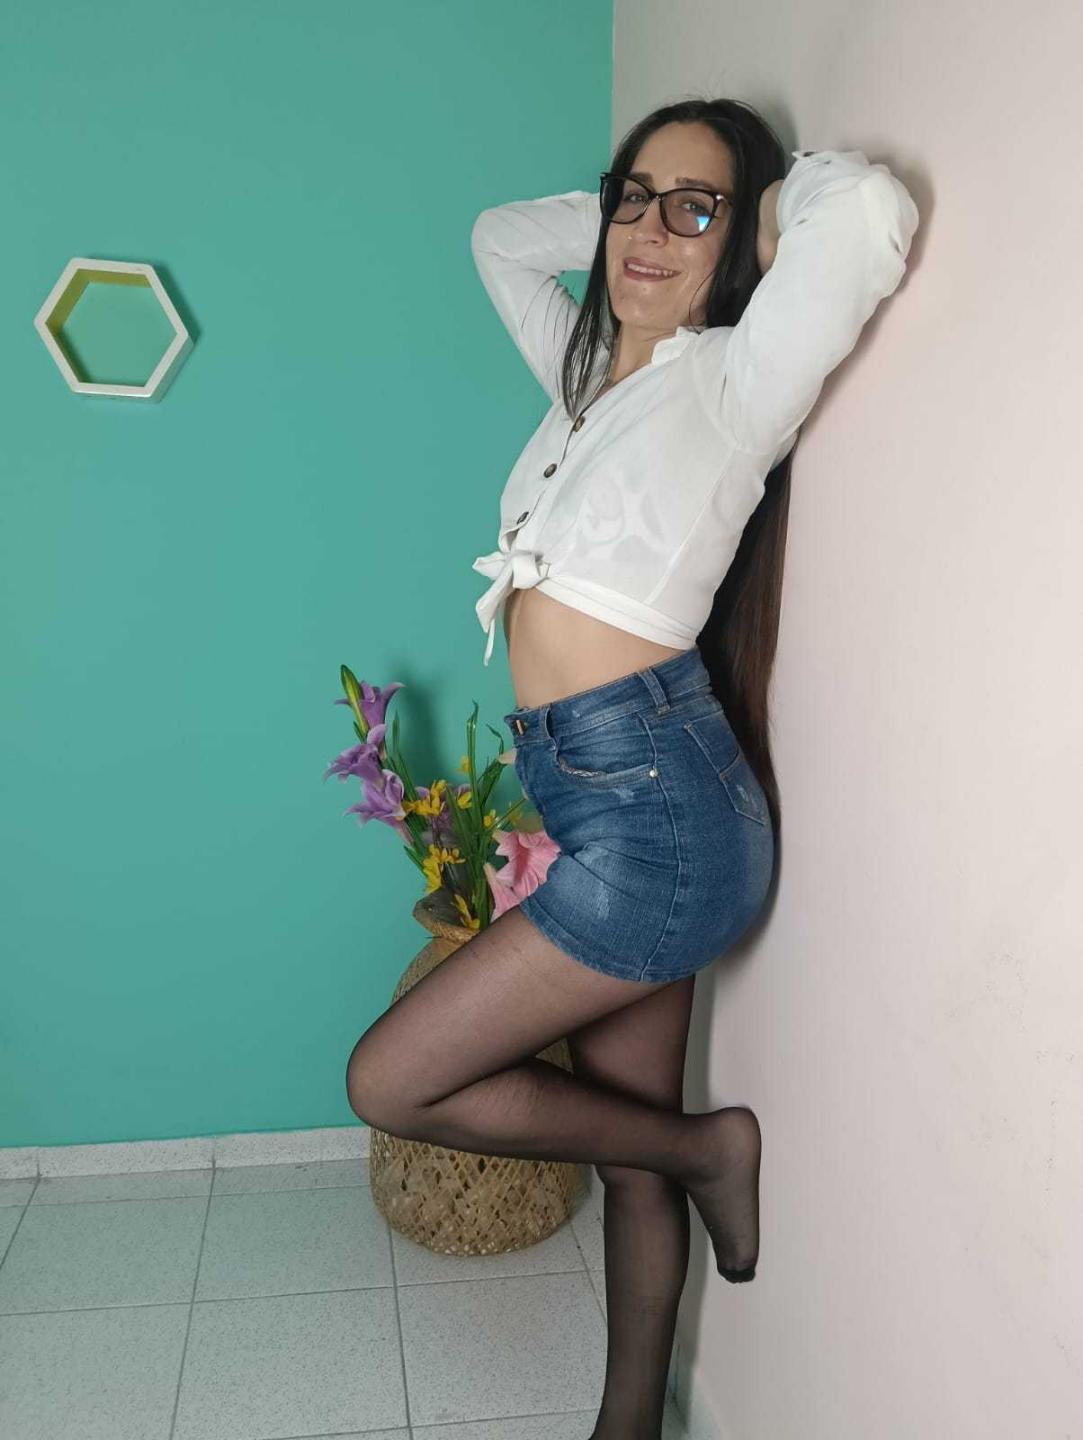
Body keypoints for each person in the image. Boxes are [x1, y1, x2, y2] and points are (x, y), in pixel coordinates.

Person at [346, 96, 919, 1440]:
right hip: (599, 792)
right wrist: (648, 199)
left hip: (660, 818)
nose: (650, 232)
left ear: (738, 242)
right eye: (633, 199)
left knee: (391, 1080)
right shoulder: (586, 379)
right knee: (624, 1148)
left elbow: (869, 212)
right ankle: (628, 1426)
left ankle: (713, 1148)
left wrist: (757, 205)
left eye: (691, 209)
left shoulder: (737, 380)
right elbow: (499, 238)